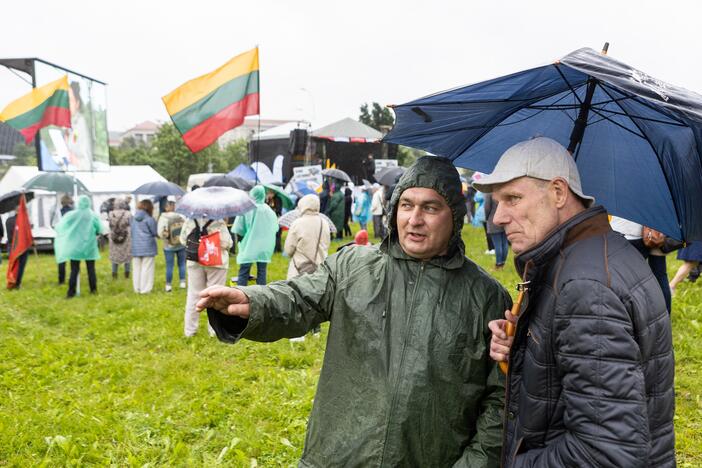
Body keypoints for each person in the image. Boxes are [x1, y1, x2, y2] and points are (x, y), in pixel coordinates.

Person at [197, 156, 510, 466]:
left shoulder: (485, 297)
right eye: (406, 205)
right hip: (339, 455)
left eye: (430, 207)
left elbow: (501, 402)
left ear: (454, 216)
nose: (414, 219)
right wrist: (249, 302)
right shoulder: (353, 266)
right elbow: (299, 298)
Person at [480, 137, 675, 467]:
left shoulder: (586, 286)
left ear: (558, 192)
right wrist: (526, 347)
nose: (498, 217)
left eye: (512, 198)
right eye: (497, 202)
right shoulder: (593, 254)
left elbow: (605, 454)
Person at [283, 194, 331, 342]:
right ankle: (316, 331)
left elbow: (289, 249)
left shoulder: (298, 223)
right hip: (319, 267)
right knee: (316, 300)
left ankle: (298, 333)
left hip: (299, 266)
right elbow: (327, 245)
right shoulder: (324, 223)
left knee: (297, 298)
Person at [181, 215, 233, 337]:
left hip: (195, 261)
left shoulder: (190, 220)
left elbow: (183, 240)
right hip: (216, 262)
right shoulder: (218, 221)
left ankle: (189, 330)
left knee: (194, 295)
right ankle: (214, 330)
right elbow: (227, 243)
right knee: (216, 296)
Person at [610, 216, 672, 313]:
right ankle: (665, 315)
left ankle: (628, 315)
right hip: (655, 229)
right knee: (659, 275)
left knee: (624, 280)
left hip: (628, 232)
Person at [54, 195, 104, 297]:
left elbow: (60, 226)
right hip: (89, 246)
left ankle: (71, 292)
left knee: (74, 269)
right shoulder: (93, 215)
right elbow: (100, 229)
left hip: (75, 246)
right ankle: (93, 291)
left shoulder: (72, 215)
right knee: (91, 269)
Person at [232, 186, 278, 286]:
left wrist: (242, 240)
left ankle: (241, 293)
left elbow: (239, 228)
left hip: (249, 244)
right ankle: (261, 295)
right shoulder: (268, 210)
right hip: (264, 245)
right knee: (262, 271)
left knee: (244, 271)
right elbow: (275, 227)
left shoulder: (247, 209)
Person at [158, 200, 186, 292]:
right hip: (181, 243)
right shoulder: (181, 216)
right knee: (182, 264)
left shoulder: (163, 217)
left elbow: (160, 233)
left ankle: (168, 286)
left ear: (166, 207)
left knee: (169, 265)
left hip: (168, 245)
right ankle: (182, 283)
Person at [131, 199, 158, 294]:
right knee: (147, 268)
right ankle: (145, 289)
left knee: (136, 269)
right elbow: (154, 232)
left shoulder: (133, 218)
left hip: (135, 246)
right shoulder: (149, 219)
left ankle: (137, 288)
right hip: (148, 246)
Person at [108, 198, 132, 279]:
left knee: (115, 255)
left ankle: (114, 274)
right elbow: (131, 224)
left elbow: (110, 225)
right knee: (127, 255)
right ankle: (127, 275)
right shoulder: (128, 214)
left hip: (114, 236)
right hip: (126, 236)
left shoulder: (111, 214)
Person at [483, 193, 508, 270]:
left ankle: (499, 264)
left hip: (493, 220)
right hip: (504, 219)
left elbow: (487, 208)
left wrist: (487, 218)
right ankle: (503, 262)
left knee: (497, 244)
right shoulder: (503, 189)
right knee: (504, 243)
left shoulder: (489, 193)